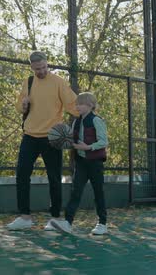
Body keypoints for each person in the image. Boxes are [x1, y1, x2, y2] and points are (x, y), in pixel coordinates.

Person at [6, 51, 79, 231]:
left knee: (54, 178)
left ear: (47, 64)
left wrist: (89, 115)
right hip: (29, 135)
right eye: (38, 69)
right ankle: (25, 217)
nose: (42, 71)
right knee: (22, 175)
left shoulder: (59, 82)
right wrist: (22, 105)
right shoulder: (28, 82)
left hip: (52, 138)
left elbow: (72, 104)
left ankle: (55, 218)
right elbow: (19, 106)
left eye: (44, 67)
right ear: (32, 67)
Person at [49, 92, 109, 235]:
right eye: (76, 104)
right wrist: (61, 140)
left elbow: (104, 142)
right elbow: (72, 139)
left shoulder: (96, 120)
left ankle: (102, 223)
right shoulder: (76, 121)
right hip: (81, 162)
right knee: (76, 192)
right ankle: (68, 223)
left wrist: (88, 147)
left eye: (80, 104)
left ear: (90, 105)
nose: (77, 106)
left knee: (98, 192)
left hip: (95, 162)